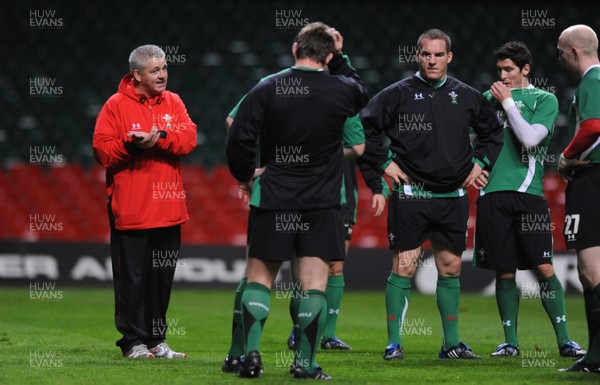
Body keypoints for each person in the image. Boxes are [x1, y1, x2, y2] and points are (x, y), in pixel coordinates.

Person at [226, 22, 368, 380]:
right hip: (322, 201)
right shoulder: (342, 91)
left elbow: (239, 136)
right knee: (314, 284)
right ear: (330, 56)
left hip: (274, 195)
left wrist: (246, 174)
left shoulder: (267, 87)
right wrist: (340, 59)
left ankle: (250, 354)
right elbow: (362, 93)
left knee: (259, 279)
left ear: (294, 49)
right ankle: (304, 364)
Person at [360, 28, 504, 360]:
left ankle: (451, 345)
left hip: (452, 196)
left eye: (439, 54)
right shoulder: (397, 93)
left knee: (451, 268)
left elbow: (492, 133)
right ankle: (394, 343)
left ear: (449, 57)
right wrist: (384, 161)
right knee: (405, 267)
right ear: (417, 55)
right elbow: (362, 127)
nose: (432, 60)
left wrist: (480, 163)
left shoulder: (467, 96)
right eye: (427, 54)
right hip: (412, 195)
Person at [472, 41, 585, 358]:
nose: (503, 76)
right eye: (499, 70)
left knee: (544, 267)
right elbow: (468, 139)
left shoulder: (544, 99)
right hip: (492, 194)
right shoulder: (485, 101)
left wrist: (507, 103)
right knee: (504, 270)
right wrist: (475, 166)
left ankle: (565, 340)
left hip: (529, 195)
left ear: (525, 69)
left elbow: (531, 139)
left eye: (508, 69)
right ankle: (510, 342)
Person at [93, 44, 196, 359]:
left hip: (169, 210)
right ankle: (131, 342)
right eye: (155, 70)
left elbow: (189, 138)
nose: (163, 75)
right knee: (132, 280)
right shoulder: (115, 105)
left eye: (164, 69)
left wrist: (160, 138)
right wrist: (134, 146)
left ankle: (156, 340)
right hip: (132, 210)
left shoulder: (174, 101)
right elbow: (102, 151)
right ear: (137, 74)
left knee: (160, 280)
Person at [555, 24, 600, 374]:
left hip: (592, 180)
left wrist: (567, 156)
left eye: (560, 51)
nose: (559, 58)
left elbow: (593, 126)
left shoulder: (593, 81)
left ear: (573, 51)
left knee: (590, 270)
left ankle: (597, 358)